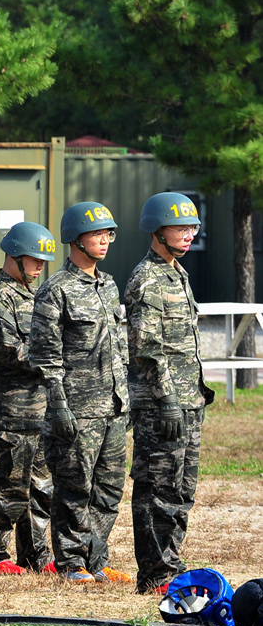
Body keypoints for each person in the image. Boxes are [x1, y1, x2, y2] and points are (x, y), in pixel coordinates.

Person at [29, 201, 132, 585]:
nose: (104, 240)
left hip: (113, 407)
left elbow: (118, 347)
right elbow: (44, 353)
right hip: (76, 408)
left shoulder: (108, 285)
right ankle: (71, 562)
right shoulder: (56, 290)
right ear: (75, 239)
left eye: (108, 233)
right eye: (96, 234)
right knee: (74, 487)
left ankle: (96, 558)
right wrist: (58, 404)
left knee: (108, 489)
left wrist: (128, 398)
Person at [127, 193, 214, 595]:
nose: (188, 234)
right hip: (163, 405)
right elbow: (147, 347)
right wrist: (167, 399)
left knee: (182, 489)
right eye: (180, 227)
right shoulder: (147, 278)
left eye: (191, 227)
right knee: (158, 488)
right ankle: (156, 574)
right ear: (157, 230)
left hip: (187, 401)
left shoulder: (177, 273)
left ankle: (171, 564)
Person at [0, 220, 57, 576]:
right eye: (33, 259)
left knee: (39, 487)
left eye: (42, 261)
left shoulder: (34, 297)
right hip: (8, 411)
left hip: (38, 409)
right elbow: (9, 350)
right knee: (7, 484)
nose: (39, 267)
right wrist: (53, 357)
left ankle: (36, 555)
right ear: (13, 256)